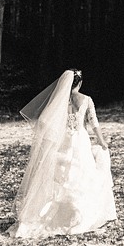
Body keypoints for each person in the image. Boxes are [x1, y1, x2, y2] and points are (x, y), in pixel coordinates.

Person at [8, 69, 116, 237]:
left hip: (63, 141)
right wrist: (102, 141)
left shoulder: (59, 101)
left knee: (60, 177)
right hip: (79, 140)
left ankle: (57, 216)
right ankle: (77, 215)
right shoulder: (86, 100)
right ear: (79, 83)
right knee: (80, 176)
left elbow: (44, 121)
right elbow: (94, 123)